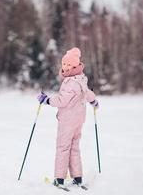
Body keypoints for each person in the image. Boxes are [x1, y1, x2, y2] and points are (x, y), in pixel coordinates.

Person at [37, 47, 99, 188]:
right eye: (64, 64)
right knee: (74, 148)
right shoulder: (81, 79)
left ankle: (59, 179)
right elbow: (87, 93)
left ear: (75, 66)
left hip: (67, 121)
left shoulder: (70, 82)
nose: (65, 67)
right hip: (78, 120)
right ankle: (77, 177)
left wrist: (46, 100)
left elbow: (61, 101)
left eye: (68, 65)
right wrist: (93, 100)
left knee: (63, 148)